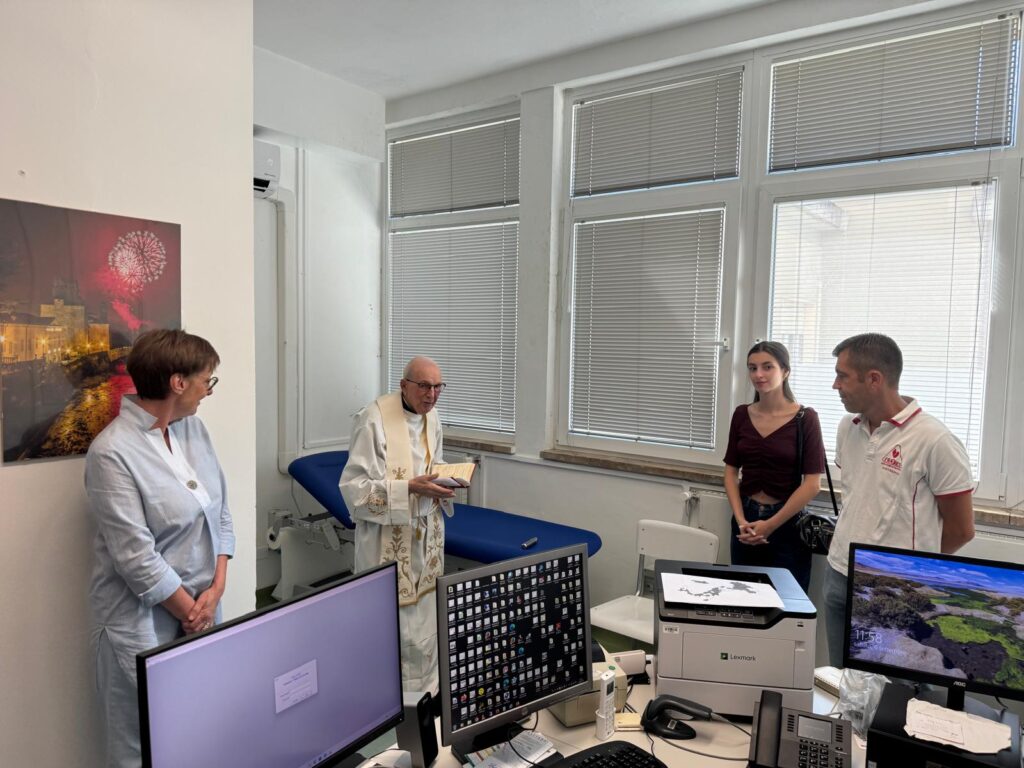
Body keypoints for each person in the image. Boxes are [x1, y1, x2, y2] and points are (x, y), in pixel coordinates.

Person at [86, 329, 233, 768]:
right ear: (178, 383)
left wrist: (216, 590)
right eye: (207, 380)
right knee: (141, 748)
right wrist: (193, 613)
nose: (209, 390)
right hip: (141, 621)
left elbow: (220, 512)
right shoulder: (111, 453)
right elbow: (136, 558)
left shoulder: (194, 431)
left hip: (202, 608)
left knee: (198, 731)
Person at [824, 333, 975, 667]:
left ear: (874, 379)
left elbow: (962, 530)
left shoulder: (935, 440)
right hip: (838, 572)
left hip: (893, 589)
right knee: (843, 681)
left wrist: (907, 573)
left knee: (898, 686)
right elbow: (859, 498)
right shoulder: (847, 428)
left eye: (842, 376)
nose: (835, 385)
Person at [340, 356, 455, 695]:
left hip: (426, 536)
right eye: (424, 386)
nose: (431, 395)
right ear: (404, 385)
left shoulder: (431, 417)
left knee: (425, 616)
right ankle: (385, 695)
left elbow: (434, 463)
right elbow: (354, 490)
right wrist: (409, 489)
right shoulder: (373, 419)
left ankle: (427, 692)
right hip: (387, 540)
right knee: (391, 622)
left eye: (438, 387)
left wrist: (449, 479)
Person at [723, 341, 824, 592]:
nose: (759, 374)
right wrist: (741, 520)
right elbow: (731, 472)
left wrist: (770, 525)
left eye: (768, 367)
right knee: (744, 598)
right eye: (752, 368)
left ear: (785, 371)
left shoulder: (806, 419)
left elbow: (812, 484)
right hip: (745, 522)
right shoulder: (741, 414)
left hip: (787, 523)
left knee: (788, 602)